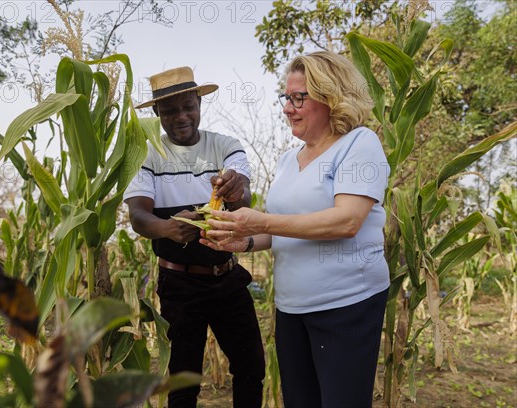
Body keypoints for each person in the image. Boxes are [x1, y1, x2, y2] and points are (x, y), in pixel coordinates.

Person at [200, 51, 390, 408]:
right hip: (291, 308)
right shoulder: (289, 159)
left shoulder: (359, 144)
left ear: (333, 97)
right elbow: (281, 228)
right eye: (286, 98)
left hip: (346, 305)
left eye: (299, 98)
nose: (288, 107)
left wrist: (262, 221)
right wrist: (242, 241)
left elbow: (347, 220)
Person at [124, 66, 265, 408]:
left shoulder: (225, 145)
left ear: (199, 103)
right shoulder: (146, 154)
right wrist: (169, 228)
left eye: (189, 106)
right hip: (179, 284)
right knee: (184, 381)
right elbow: (139, 216)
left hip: (228, 276)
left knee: (251, 367)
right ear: (157, 112)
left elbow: (242, 195)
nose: (181, 116)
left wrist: (233, 188)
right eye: (170, 110)